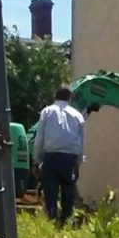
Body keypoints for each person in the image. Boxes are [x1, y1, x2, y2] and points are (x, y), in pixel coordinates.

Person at [32, 85, 85, 225]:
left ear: (55, 96)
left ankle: (51, 221)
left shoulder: (47, 112)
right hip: (70, 158)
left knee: (51, 192)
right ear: (70, 97)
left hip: (52, 157)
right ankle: (66, 222)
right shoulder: (77, 115)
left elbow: (40, 138)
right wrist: (78, 162)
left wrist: (36, 159)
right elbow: (81, 142)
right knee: (68, 193)